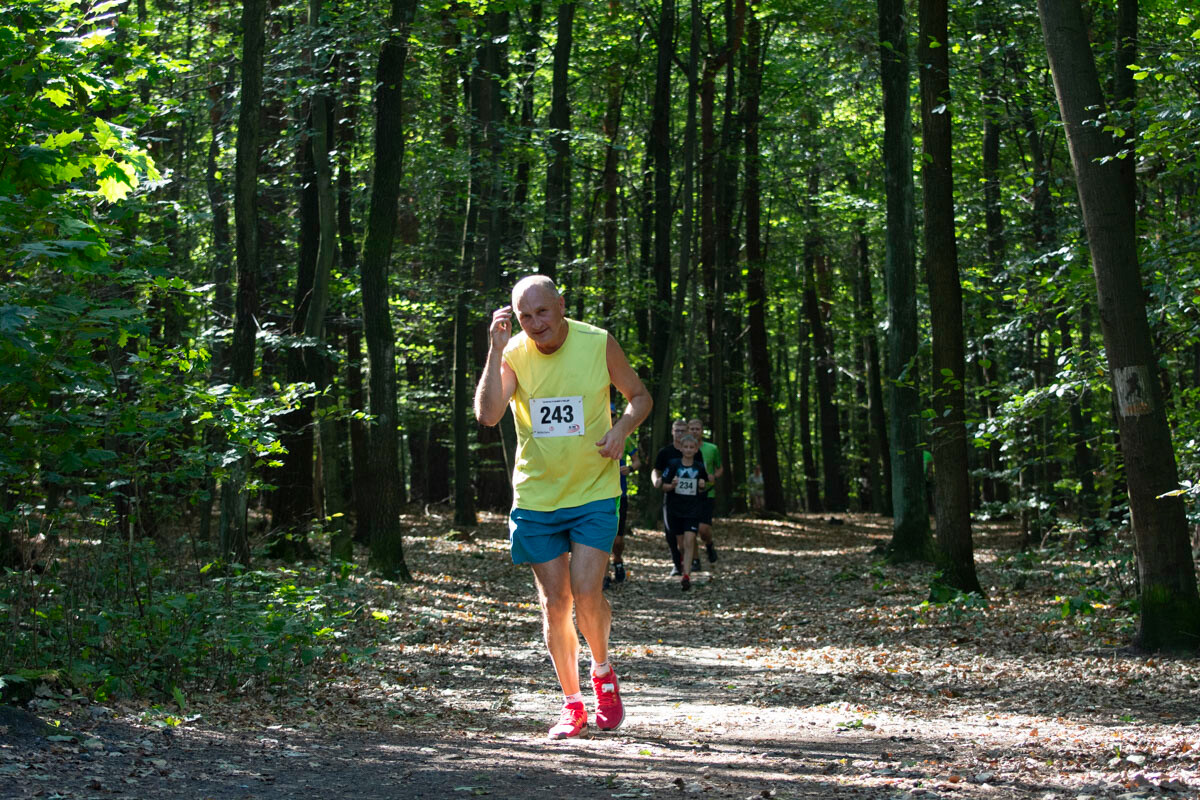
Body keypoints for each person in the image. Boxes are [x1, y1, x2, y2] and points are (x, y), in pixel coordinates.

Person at [474, 274, 651, 740]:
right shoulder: (512, 353)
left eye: (542, 313)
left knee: (587, 591)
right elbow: (489, 415)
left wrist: (621, 430)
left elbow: (640, 397)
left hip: (593, 489)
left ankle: (603, 672)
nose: (535, 325)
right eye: (525, 317)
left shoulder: (597, 342)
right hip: (536, 497)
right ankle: (573, 704)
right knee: (556, 603)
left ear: (561, 305)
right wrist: (495, 350)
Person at [656, 433, 709, 591]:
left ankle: (686, 575)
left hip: (692, 509)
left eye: (691, 447)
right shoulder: (673, 464)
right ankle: (682, 564)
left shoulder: (699, 466)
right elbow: (663, 486)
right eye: (685, 447)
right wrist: (671, 485)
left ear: (696, 449)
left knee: (689, 540)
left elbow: (704, 484)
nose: (688, 450)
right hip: (675, 508)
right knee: (681, 544)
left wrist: (701, 484)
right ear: (681, 448)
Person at [604, 400, 640, 590]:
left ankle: (618, 560)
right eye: (607, 414)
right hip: (597, 494)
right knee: (601, 536)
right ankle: (604, 575)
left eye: (613, 415)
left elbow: (638, 461)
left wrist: (630, 468)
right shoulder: (588, 435)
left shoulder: (625, 437)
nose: (610, 418)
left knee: (617, 539)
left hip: (620, 494)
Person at [651, 419, 691, 575]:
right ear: (672, 432)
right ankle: (676, 563)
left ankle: (690, 562)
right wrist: (656, 481)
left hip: (690, 500)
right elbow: (656, 470)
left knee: (687, 534)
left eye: (683, 431)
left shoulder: (692, 450)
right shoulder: (665, 452)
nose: (680, 434)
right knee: (671, 533)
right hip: (671, 497)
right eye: (677, 430)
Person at [688, 418, 724, 569]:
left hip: (707, 493)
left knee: (703, 530)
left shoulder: (712, 448)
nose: (695, 432)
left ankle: (709, 545)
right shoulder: (684, 448)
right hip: (689, 494)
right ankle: (695, 560)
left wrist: (714, 476)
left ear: (702, 431)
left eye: (697, 429)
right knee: (690, 530)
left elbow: (720, 468)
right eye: (692, 429)